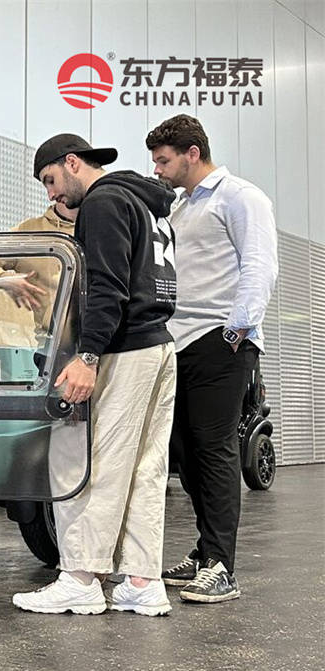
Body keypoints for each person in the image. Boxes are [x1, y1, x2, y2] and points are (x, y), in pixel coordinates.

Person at [12, 134, 177, 617]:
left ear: (72, 162)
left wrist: (87, 355)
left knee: (88, 462)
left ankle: (81, 578)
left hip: (122, 349)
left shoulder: (103, 203)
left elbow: (107, 286)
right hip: (158, 344)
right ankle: (142, 581)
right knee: (145, 468)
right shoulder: (148, 204)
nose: (51, 194)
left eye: (50, 180)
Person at [147, 114, 278, 603]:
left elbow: (260, 265)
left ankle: (222, 566)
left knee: (215, 448)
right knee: (184, 452)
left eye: (164, 161)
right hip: (178, 340)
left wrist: (236, 331)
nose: (157, 170)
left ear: (192, 153)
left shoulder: (240, 196)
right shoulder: (180, 207)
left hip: (220, 340)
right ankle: (205, 551)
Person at [0, 202, 77, 347]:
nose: (51, 194)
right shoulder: (29, 232)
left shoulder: (96, 229)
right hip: (49, 346)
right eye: (47, 188)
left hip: (92, 340)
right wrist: (3, 278)